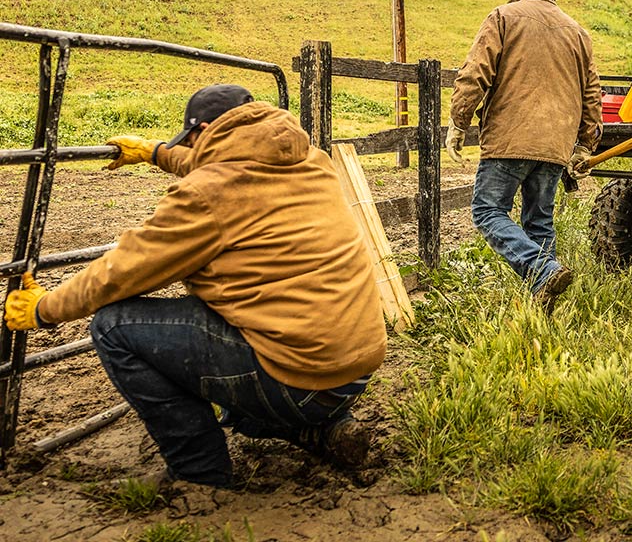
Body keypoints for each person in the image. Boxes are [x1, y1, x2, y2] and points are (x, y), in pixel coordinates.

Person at [4, 84, 387, 488]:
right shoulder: (309, 161)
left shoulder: (209, 194)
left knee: (114, 326)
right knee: (229, 364)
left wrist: (44, 308)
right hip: (351, 370)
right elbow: (227, 165)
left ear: (204, 129)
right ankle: (323, 430)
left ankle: (199, 473)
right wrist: (156, 153)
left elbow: (123, 269)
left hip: (296, 375)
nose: (189, 148)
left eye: (189, 139)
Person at [446, 0, 602, 309]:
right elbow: (592, 93)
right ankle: (544, 306)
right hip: (556, 146)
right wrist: (585, 145)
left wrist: (459, 121)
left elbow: (475, 74)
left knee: (487, 211)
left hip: (509, 139)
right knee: (540, 222)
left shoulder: (503, 18)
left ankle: (544, 271)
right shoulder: (577, 32)